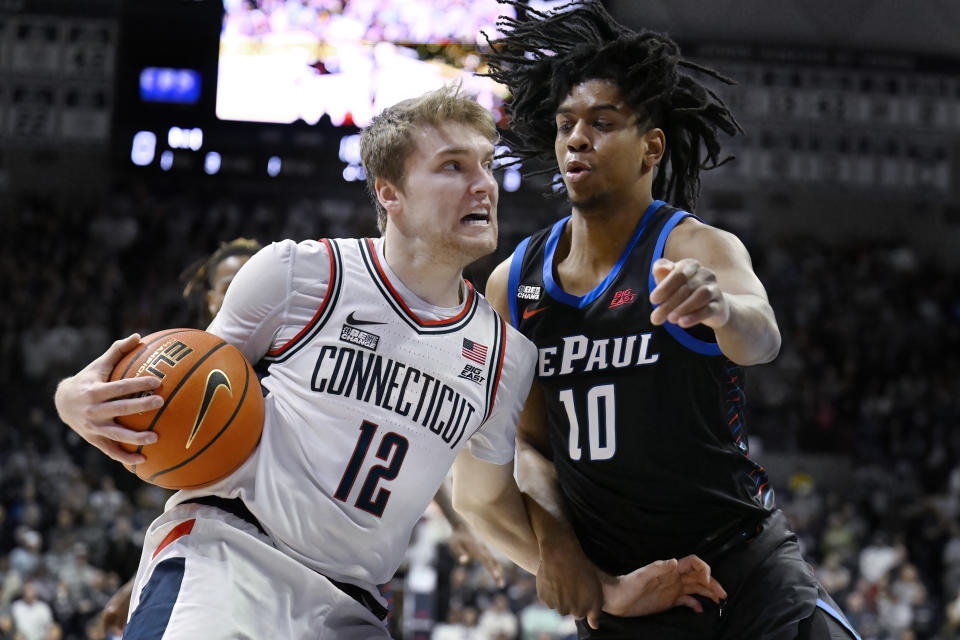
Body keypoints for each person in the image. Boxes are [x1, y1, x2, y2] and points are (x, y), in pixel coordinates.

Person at [54, 86, 719, 639]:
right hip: (229, 560)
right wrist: (71, 397)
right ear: (390, 193)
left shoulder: (505, 357)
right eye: (453, 166)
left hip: (351, 610)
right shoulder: (298, 274)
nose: (483, 183)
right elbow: (188, 385)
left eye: (488, 164)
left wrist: (604, 588)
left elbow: (486, 504)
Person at [478, 2, 862, 638]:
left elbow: (761, 339)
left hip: (745, 566)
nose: (578, 138)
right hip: (633, 592)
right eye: (566, 123)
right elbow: (526, 445)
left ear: (650, 146)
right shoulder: (514, 285)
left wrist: (719, 307)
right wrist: (556, 541)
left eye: (603, 123)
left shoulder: (693, 248)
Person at [98, 235, 506, 635]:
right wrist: (143, 579)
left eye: (247, 275)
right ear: (210, 300)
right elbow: (197, 493)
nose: (242, 285)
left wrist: (458, 522)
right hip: (234, 555)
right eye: (229, 283)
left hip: (335, 569)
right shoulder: (198, 376)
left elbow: (384, 440)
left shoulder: (297, 346)